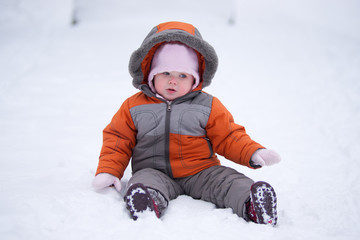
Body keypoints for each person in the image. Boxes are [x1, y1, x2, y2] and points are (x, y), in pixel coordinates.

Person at [92, 21, 281, 225]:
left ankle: (252, 203)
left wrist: (253, 152)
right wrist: (109, 170)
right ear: (151, 75)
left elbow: (229, 136)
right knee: (143, 183)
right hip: (153, 170)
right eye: (165, 73)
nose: (173, 81)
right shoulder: (134, 106)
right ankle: (147, 202)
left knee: (227, 181)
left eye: (182, 75)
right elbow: (118, 140)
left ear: (195, 79)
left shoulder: (207, 105)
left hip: (200, 170)